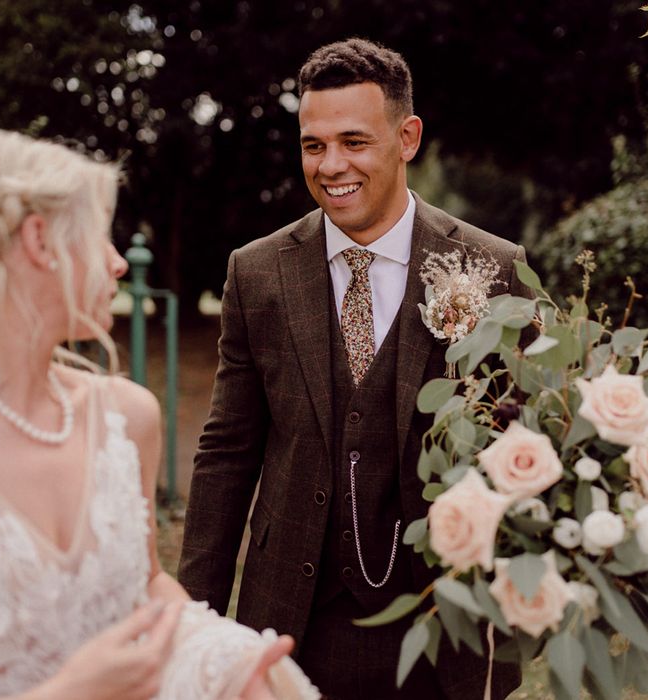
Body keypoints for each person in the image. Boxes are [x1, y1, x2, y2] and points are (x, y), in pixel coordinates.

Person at [178, 38, 529, 699]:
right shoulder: (257, 272)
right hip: (290, 621)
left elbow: (523, 442)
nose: (331, 165)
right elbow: (226, 453)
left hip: (442, 626)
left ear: (408, 137)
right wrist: (192, 617)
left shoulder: (495, 268)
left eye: (354, 142)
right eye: (313, 145)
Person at [0, 128, 318, 700]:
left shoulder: (123, 417)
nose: (119, 263)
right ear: (39, 240)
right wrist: (73, 690)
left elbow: (146, 583)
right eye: (99, 236)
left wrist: (230, 656)